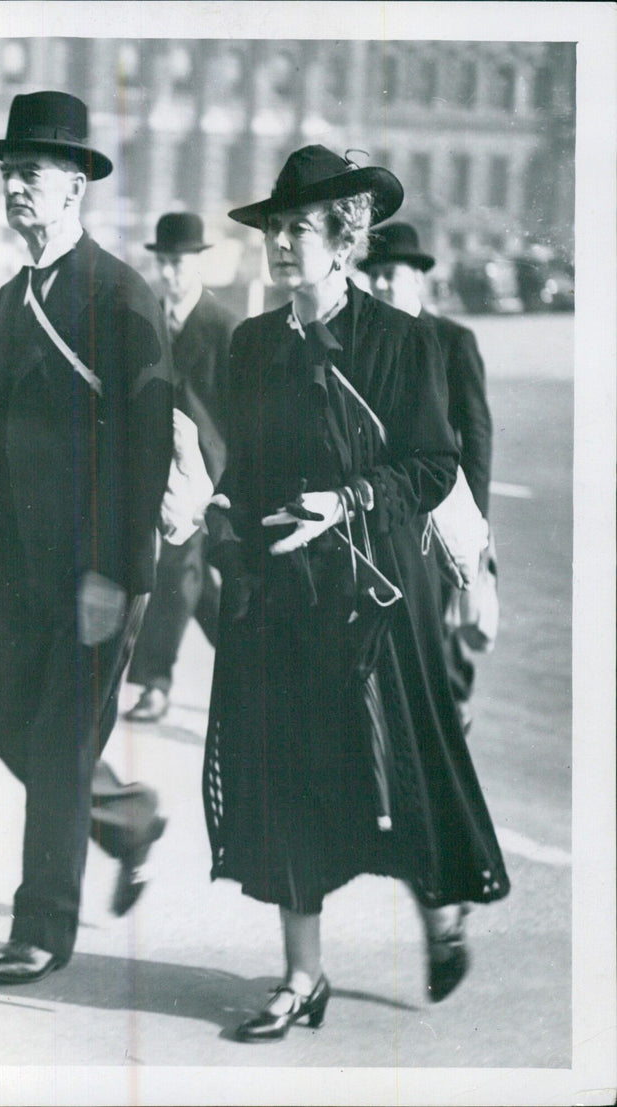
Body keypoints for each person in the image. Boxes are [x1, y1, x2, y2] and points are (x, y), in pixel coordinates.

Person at [202, 145, 510, 1041]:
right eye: (275, 229)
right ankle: (303, 976)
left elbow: (432, 462)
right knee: (284, 780)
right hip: (280, 592)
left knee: (403, 772)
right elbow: (248, 467)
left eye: (299, 228)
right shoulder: (252, 344)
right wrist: (219, 507)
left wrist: (346, 499)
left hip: (375, 595)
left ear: (345, 240)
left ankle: (444, 911)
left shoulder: (403, 341)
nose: (282, 244)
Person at [0, 91, 174, 982]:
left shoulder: (119, 292)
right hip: (24, 564)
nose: (14, 187)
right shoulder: (9, 292)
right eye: (8, 173)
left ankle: (42, 929)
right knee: (8, 731)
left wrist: (115, 570)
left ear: (75, 189)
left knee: (61, 747)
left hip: (94, 570)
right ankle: (128, 819)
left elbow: (147, 446)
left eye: (31, 173)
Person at [358, 222, 494, 733]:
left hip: (444, 504)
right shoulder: (366, 339)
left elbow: (476, 434)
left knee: (441, 614)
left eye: (393, 275)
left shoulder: (453, 341)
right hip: (391, 505)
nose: (383, 286)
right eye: (374, 277)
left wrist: (476, 520)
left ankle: (451, 709)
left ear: (418, 278)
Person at [125, 213, 237, 722]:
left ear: (198, 264)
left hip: (206, 473)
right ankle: (250, 663)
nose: (169, 273)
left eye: (178, 263)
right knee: (196, 580)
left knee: (177, 566)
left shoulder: (224, 326)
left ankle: (154, 683)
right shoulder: (146, 319)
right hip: (154, 464)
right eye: (163, 262)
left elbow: (239, 411)